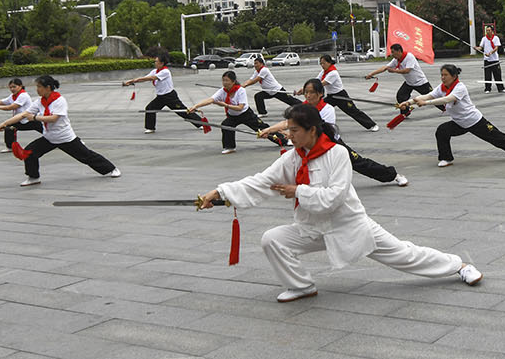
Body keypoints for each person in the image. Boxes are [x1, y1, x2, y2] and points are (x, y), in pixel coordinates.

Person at [199, 103, 481, 302]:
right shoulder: (293, 157)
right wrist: (219, 193)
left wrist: (298, 191)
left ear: (311, 130)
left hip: (349, 225)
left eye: (293, 130)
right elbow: (260, 181)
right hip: (312, 226)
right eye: (288, 129)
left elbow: (333, 198)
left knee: (405, 255)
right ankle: (301, 286)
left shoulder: (337, 154)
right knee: (272, 239)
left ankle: (459, 266)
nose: (288, 134)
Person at [260, 79, 408, 188]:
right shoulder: (301, 108)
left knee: (359, 163)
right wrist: (268, 130)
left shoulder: (327, 109)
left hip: (331, 144)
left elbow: (319, 129)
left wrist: (293, 133)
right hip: (310, 144)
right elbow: (287, 122)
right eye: (306, 92)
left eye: (311, 92)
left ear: (320, 94)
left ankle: (393, 175)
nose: (308, 96)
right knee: (292, 162)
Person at [0, 74, 120, 186]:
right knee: (29, 152)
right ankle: (33, 177)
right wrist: (4, 124)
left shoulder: (59, 100)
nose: (37, 89)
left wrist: (34, 118)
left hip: (65, 137)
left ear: (48, 88)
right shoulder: (39, 102)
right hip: (49, 137)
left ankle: (111, 169)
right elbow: (23, 114)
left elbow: (54, 118)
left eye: (39, 87)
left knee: (86, 156)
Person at [405, 64, 505, 167]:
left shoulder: (460, 87)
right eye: (442, 75)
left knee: (498, 138)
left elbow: (448, 99)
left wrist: (426, 103)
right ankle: (446, 158)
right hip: (459, 122)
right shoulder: (442, 87)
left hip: (474, 121)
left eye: (445, 75)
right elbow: (428, 95)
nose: (443, 77)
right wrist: (408, 102)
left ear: (454, 76)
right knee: (442, 131)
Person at [189, 70, 285, 153]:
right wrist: (195, 106)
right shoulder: (222, 91)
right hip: (232, 116)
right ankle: (229, 147)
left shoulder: (240, 90)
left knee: (262, 128)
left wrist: (225, 105)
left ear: (233, 81)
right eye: (223, 80)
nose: (224, 83)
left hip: (246, 114)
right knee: (226, 126)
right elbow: (210, 100)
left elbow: (240, 107)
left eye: (227, 80)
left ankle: (283, 140)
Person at [126, 49, 206, 134]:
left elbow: (152, 78)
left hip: (170, 96)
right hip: (160, 97)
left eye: (156, 61)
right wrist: (131, 82)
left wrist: (134, 80)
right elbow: (145, 78)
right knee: (150, 109)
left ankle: (201, 124)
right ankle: (150, 128)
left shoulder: (165, 72)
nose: (155, 63)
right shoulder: (154, 71)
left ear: (162, 63)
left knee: (182, 111)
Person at [310, 54, 378, 131]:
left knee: (353, 111)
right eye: (321, 63)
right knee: (317, 108)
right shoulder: (324, 72)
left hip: (341, 96)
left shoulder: (333, 73)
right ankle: (317, 126)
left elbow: (321, 84)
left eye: (324, 63)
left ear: (329, 63)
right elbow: (316, 81)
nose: (322, 65)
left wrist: (307, 89)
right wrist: (306, 87)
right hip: (331, 97)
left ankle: (372, 125)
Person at [365, 44, 433, 108]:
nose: (391, 54)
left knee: (432, 97)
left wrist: (394, 70)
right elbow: (385, 68)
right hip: (409, 83)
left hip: (421, 82)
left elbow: (407, 70)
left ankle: (440, 107)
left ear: (399, 51)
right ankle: (405, 112)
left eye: (393, 52)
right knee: (400, 97)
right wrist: (371, 74)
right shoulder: (396, 60)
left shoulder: (409, 56)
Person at [473, 25, 504, 93]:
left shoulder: (496, 38)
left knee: (497, 74)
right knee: (487, 75)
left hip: (495, 59)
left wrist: (490, 53)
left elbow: (496, 48)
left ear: (492, 31)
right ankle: (487, 89)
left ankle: (501, 88)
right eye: (487, 30)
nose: (487, 32)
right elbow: (481, 47)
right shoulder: (484, 38)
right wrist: (476, 48)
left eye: (489, 30)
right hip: (487, 60)